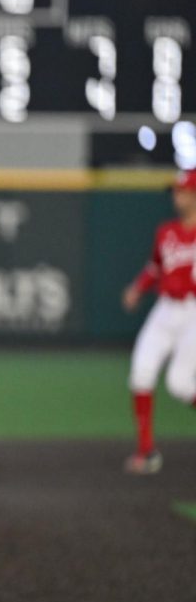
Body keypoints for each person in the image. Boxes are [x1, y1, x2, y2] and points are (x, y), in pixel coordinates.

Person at [122, 169, 196, 474]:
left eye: (183, 191)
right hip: (166, 309)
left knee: (180, 384)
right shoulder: (166, 231)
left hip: (193, 312)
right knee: (140, 372)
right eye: (176, 192)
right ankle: (146, 452)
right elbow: (155, 267)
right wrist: (137, 289)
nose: (177, 196)